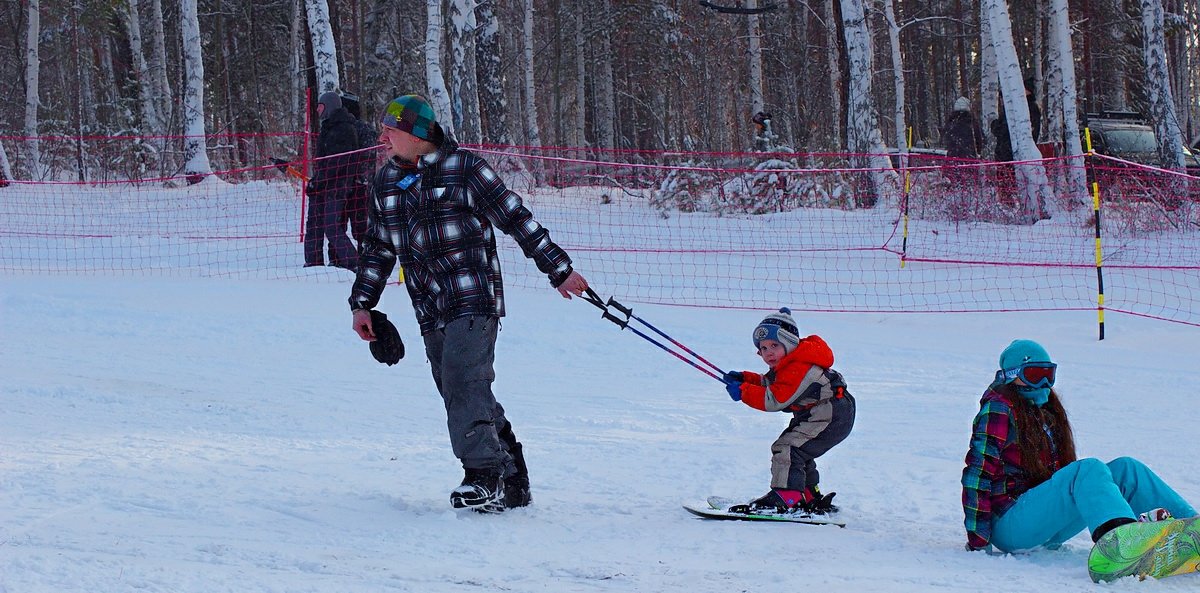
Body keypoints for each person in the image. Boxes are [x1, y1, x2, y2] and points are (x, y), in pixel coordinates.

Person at [348, 94, 590, 513]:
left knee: (463, 380)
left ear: (418, 134)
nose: (382, 136)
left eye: (391, 129)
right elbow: (376, 248)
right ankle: (512, 476)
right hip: (428, 306)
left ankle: (483, 477)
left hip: (473, 297)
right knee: (459, 389)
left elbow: (516, 217)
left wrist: (559, 269)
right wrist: (362, 303)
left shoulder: (465, 169)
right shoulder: (385, 181)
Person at [961, 339, 1196, 553]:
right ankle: (1121, 543)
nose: (1044, 382)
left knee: (1126, 469)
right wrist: (979, 542)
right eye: (1034, 374)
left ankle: (1191, 530)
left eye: (1048, 374)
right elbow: (977, 475)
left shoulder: (1042, 408)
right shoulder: (999, 409)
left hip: (1043, 523)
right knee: (1087, 469)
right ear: (1013, 375)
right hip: (1010, 524)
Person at [720, 308, 856, 514]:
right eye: (763, 348)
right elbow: (773, 384)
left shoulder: (799, 367)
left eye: (775, 345)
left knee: (788, 448)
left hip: (829, 415)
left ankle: (787, 495)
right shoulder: (791, 364)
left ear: (789, 343)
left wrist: (743, 392)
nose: (769, 352)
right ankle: (808, 494)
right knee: (800, 451)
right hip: (822, 414)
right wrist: (746, 379)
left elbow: (774, 400)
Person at [304, 91, 360, 270]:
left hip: (337, 186)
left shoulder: (342, 128)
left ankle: (355, 263)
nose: (318, 110)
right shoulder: (329, 127)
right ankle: (313, 263)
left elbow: (337, 161)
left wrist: (319, 180)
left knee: (332, 227)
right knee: (315, 224)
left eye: (320, 106)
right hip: (326, 184)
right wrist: (317, 180)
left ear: (329, 106)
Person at [338, 91, 377, 247]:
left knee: (360, 224)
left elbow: (368, 155)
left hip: (360, 184)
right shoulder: (342, 128)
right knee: (341, 222)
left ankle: (365, 254)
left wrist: (360, 177)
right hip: (346, 182)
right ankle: (338, 258)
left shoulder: (363, 129)